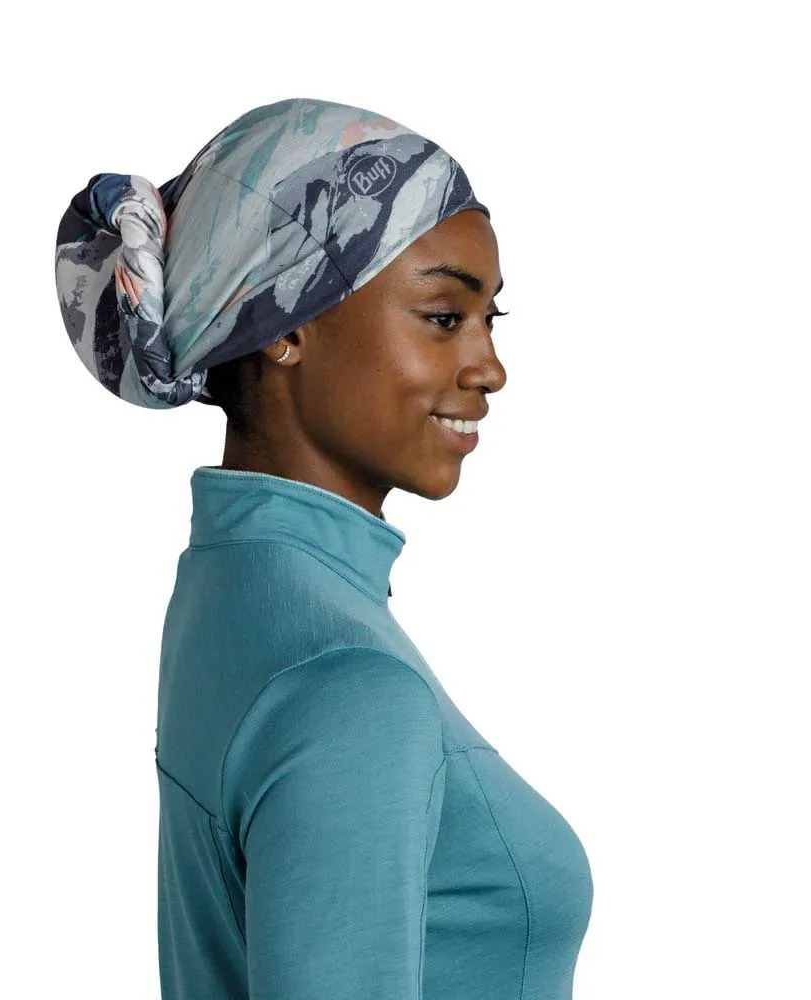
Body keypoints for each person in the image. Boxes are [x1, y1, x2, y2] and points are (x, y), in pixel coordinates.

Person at [55, 96, 593, 1000]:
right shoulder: (350, 681)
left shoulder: (232, 591)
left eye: (492, 319)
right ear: (285, 328)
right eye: (443, 316)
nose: (490, 368)